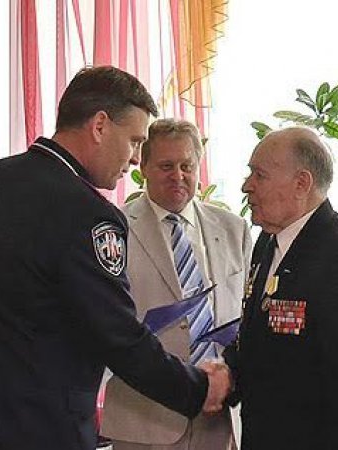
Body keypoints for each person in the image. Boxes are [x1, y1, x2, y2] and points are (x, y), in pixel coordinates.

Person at [0, 66, 230, 450]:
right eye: (134, 141)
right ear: (100, 125)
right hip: (41, 427)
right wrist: (198, 388)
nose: (135, 159)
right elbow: (116, 334)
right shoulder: (89, 214)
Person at [223, 127, 338, 449]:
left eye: (259, 175)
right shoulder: (269, 240)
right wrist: (227, 372)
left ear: (302, 183)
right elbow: (261, 338)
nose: (247, 186)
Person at [102, 119, 252, 450]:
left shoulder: (234, 229)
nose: (178, 176)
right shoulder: (114, 229)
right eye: (166, 166)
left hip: (220, 418)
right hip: (145, 419)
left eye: (187, 166)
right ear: (144, 167)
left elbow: (247, 313)